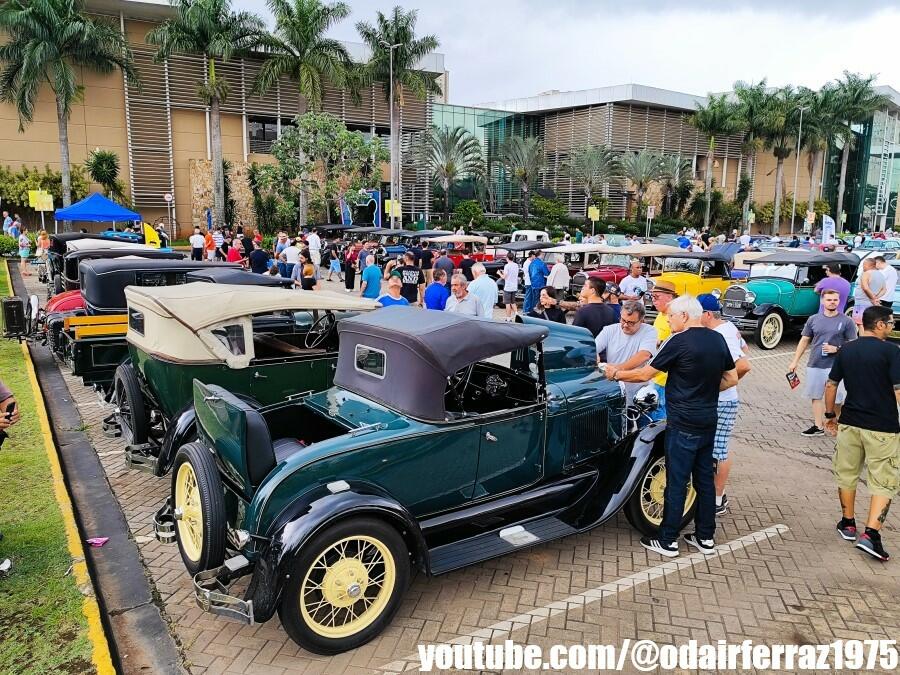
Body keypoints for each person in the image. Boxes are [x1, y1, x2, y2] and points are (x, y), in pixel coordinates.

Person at [613, 295, 738, 557]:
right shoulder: (717, 338)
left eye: (671, 316)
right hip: (708, 418)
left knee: (677, 478)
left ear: (683, 315)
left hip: (682, 421)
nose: (668, 320)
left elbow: (645, 374)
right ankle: (705, 537)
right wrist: (705, 391)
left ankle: (667, 539)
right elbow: (732, 377)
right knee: (704, 478)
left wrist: (614, 373)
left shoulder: (677, 341)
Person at [825, 305, 900, 561]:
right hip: (883, 427)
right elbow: (898, 391)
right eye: (890, 323)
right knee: (884, 480)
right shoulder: (892, 351)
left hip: (850, 423)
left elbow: (831, 385)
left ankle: (847, 523)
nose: (892, 327)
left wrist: (829, 416)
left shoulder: (847, 350)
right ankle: (871, 535)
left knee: (846, 474)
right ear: (879, 324)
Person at [697, 294, 752, 516]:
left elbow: (744, 365)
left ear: (707, 314)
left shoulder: (723, 333)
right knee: (714, 448)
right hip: (721, 398)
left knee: (719, 449)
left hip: (723, 400)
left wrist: (719, 386)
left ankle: (717, 498)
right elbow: (745, 348)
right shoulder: (726, 328)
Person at [788, 289, 857, 436]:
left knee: (838, 397)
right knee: (816, 395)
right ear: (822, 301)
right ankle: (818, 426)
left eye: (835, 300)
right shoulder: (813, 319)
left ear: (839, 301)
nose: (832, 302)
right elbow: (804, 340)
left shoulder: (847, 321)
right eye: (829, 300)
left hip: (837, 366)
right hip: (815, 363)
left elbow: (853, 344)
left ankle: (838, 424)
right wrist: (795, 361)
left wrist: (837, 349)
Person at [597, 300, 658, 403]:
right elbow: (593, 348)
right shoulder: (609, 330)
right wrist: (595, 357)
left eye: (631, 322)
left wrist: (616, 370)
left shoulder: (649, 331)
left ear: (641, 320)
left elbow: (644, 355)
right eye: (623, 320)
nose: (625, 325)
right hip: (616, 390)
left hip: (638, 392)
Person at [647, 279, 679, 422]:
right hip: (656, 374)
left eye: (656, 297)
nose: (653, 300)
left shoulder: (674, 318)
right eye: (652, 296)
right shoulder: (661, 315)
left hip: (664, 378)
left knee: (660, 417)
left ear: (669, 297)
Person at [851, 258, 884, 326]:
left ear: (870, 265)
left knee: (860, 324)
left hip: (862, 302)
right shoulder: (881, 275)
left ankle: (863, 337)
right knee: (870, 324)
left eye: (864, 265)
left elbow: (865, 288)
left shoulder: (866, 273)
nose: (863, 266)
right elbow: (884, 289)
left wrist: (873, 298)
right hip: (872, 304)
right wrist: (876, 298)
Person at [525, 250, 549, 314]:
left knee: (533, 299)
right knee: (539, 300)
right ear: (540, 255)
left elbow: (530, 273)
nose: (543, 256)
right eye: (543, 255)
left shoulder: (531, 263)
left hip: (533, 284)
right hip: (540, 284)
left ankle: (533, 312)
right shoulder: (541, 263)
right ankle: (538, 313)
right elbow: (547, 273)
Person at [498, 252, 520, 322]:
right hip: (514, 286)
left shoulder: (507, 266)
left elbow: (504, 277)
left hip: (508, 287)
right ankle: (517, 314)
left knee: (507, 303)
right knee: (513, 302)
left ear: (507, 258)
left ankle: (508, 318)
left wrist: (499, 273)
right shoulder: (516, 265)